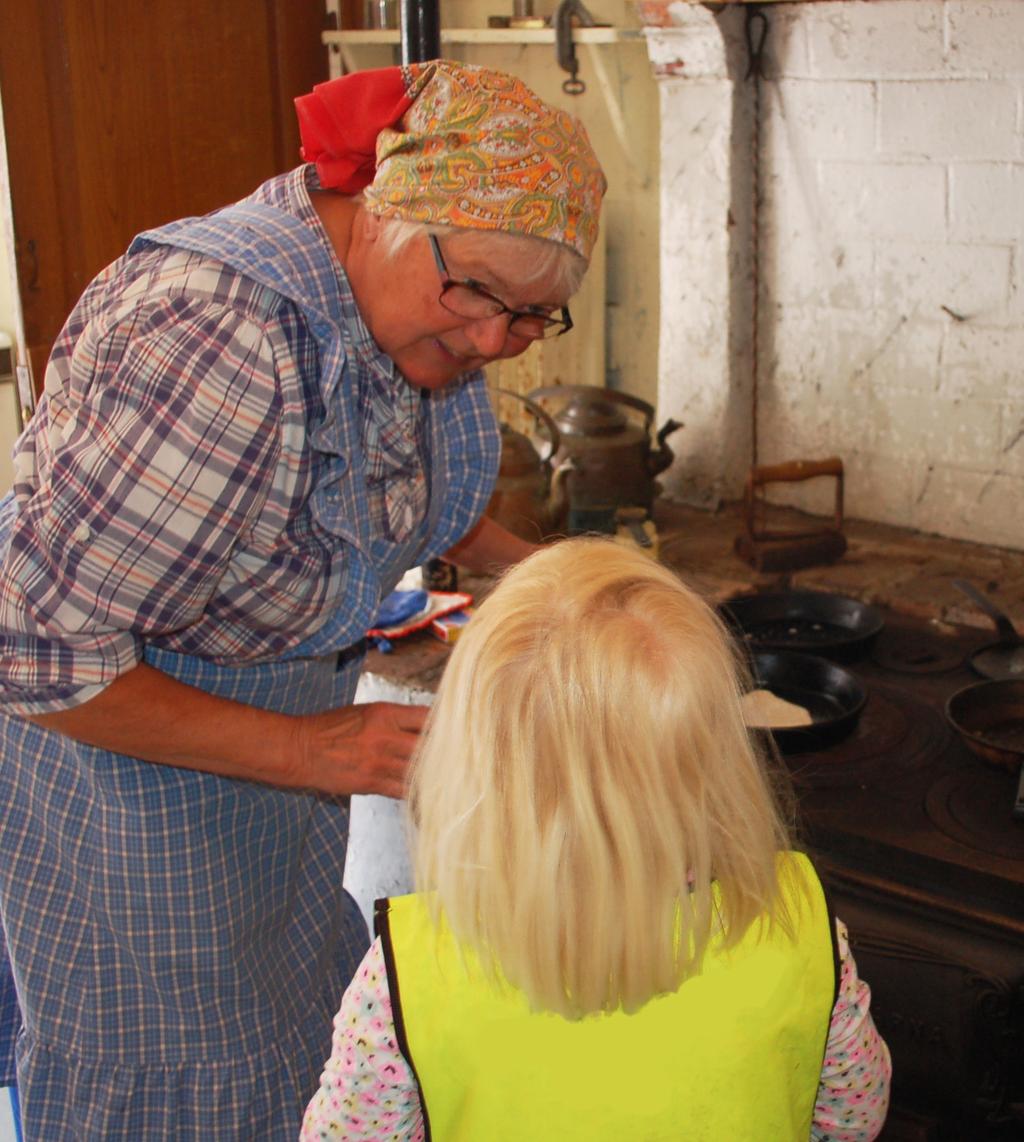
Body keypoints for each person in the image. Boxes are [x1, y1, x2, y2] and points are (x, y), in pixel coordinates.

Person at [0, 61, 606, 1138]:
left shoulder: (400, 303)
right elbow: (38, 654)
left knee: (286, 1047)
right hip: (130, 784)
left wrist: (557, 575)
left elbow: (378, 483)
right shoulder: (216, 339)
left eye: (529, 320)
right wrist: (317, 751)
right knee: (179, 1076)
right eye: (472, 294)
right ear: (382, 205)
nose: (486, 341)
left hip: (268, 781)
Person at [301, 538, 892, 1141]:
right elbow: (852, 1118)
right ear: (720, 765)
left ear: (471, 763)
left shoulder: (409, 969)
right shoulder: (799, 923)